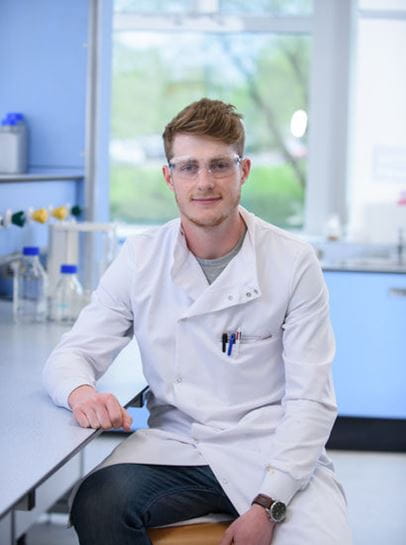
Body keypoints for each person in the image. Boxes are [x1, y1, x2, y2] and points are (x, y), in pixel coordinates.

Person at [43, 98, 352, 545]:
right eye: (188, 167)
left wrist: (268, 505)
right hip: (180, 448)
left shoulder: (292, 262)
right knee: (98, 502)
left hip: (272, 449)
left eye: (219, 166)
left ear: (243, 171)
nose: (204, 182)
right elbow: (71, 354)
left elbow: (312, 401)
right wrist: (81, 391)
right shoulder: (141, 258)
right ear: (169, 177)